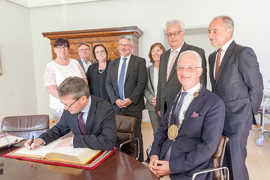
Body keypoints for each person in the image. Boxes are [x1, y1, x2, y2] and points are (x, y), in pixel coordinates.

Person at [149, 50, 225, 180]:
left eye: (190, 67)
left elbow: (208, 147)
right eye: (181, 68)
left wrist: (172, 167)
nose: (184, 72)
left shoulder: (214, 103)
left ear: (200, 71)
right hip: (161, 160)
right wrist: (154, 154)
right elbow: (162, 130)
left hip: (190, 169)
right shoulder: (173, 97)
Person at [208, 16, 263, 180]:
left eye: (214, 31)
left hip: (238, 120)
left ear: (228, 30)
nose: (211, 35)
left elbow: (257, 87)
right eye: (209, 31)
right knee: (222, 161)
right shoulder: (212, 57)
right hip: (219, 119)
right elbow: (216, 89)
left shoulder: (243, 52)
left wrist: (246, 116)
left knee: (236, 163)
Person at [25, 77, 116, 150]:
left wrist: (73, 140)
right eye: (63, 104)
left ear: (83, 99)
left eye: (67, 104)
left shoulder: (105, 109)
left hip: (101, 157)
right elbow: (59, 129)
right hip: (78, 156)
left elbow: (108, 141)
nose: (65, 108)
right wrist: (40, 140)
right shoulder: (69, 107)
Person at [106, 36, 147, 161]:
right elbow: (108, 84)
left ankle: (138, 160)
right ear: (118, 47)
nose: (124, 47)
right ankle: (121, 159)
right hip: (117, 106)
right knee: (118, 135)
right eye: (121, 45)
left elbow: (141, 83)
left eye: (126, 45)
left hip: (133, 106)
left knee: (135, 134)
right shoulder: (113, 63)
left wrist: (131, 99)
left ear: (131, 47)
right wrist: (115, 100)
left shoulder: (139, 62)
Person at [156, 20, 207, 118]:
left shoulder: (196, 51)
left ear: (182, 34)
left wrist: (196, 108)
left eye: (175, 33)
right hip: (165, 108)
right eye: (169, 34)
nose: (172, 37)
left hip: (185, 107)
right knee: (166, 133)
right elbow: (161, 83)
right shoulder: (163, 56)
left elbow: (201, 82)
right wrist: (159, 106)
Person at [44, 38, 86, 123]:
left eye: (65, 47)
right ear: (55, 49)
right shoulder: (51, 66)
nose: (62, 50)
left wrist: (77, 99)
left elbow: (84, 81)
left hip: (78, 104)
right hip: (61, 107)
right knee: (64, 133)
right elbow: (50, 88)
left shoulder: (75, 63)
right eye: (59, 47)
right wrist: (68, 101)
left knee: (80, 132)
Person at [144, 42, 166, 134]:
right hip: (152, 105)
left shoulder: (168, 69)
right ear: (150, 54)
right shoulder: (148, 70)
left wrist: (161, 100)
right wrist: (151, 99)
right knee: (156, 132)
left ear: (163, 52)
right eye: (153, 51)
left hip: (166, 105)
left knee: (168, 132)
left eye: (158, 50)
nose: (155, 53)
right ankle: (158, 148)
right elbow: (144, 88)